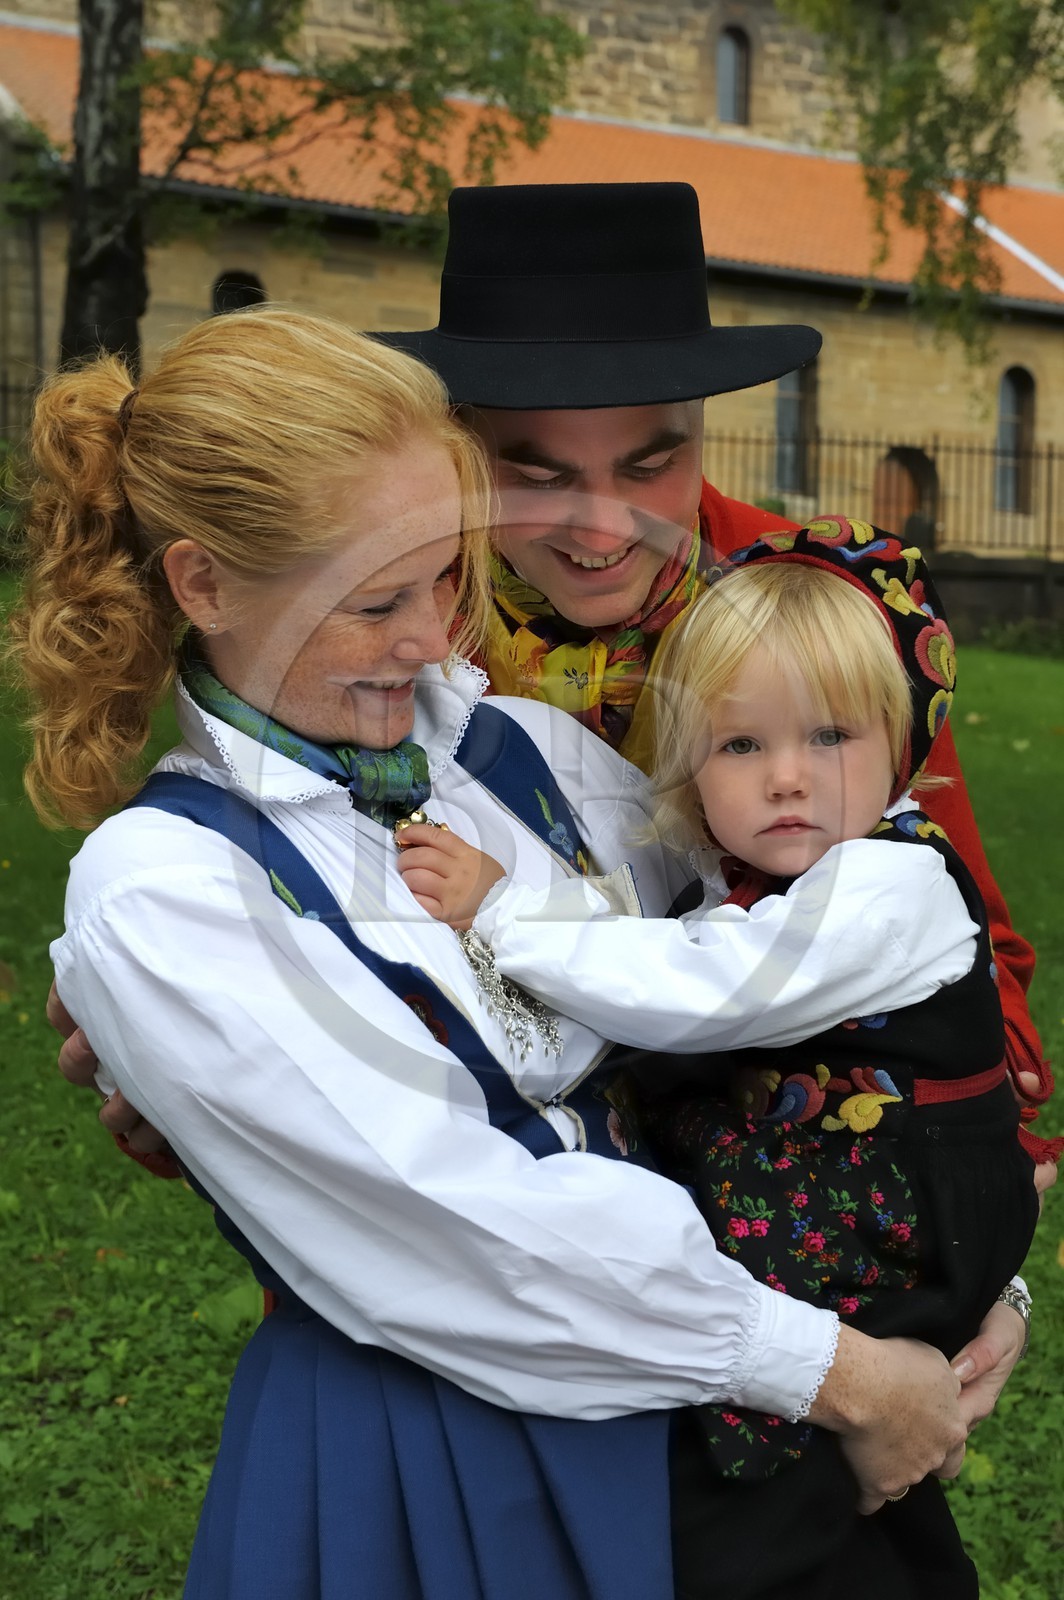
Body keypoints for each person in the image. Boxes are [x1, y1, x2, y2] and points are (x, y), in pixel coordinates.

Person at [49, 184, 1050, 1469]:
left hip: (774, 1238)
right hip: (514, 1307)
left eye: (650, 462)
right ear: (461, 450)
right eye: (533, 471)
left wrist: (969, 1238)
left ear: (702, 429)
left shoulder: (810, 623)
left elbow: (942, 948)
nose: (598, 522)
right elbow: (371, 1139)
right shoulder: (396, 636)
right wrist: (192, 1096)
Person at [397, 514, 1040, 1595]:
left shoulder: (891, 885)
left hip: (897, 1213)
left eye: (828, 736)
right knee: (835, 1480)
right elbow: (666, 947)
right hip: (844, 1200)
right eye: (742, 745)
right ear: (693, 763)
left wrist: (502, 914)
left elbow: (698, 986)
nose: (787, 777)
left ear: (898, 744)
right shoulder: (759, 882)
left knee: (756, 1485)